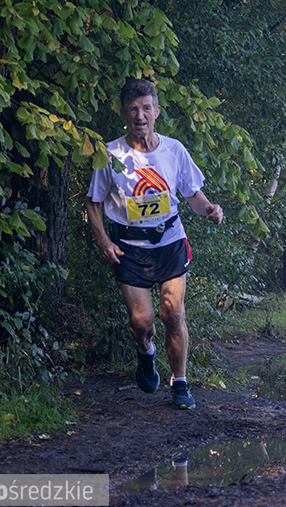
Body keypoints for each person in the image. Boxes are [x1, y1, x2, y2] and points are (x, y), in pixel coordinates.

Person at [85, 79, 224, 409]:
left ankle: (180, 383)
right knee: (142, 322)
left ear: (157, 111)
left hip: (170, 241)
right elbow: (93, 201)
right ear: (124, 113)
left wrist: (209, 208)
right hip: (130, 248)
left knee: (172, 313)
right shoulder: (110, 153)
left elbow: (191, 192)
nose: (140, 116)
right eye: (133, 109)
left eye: (146, 108)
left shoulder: (173, 150)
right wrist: (103, 240)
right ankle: (145, 351)